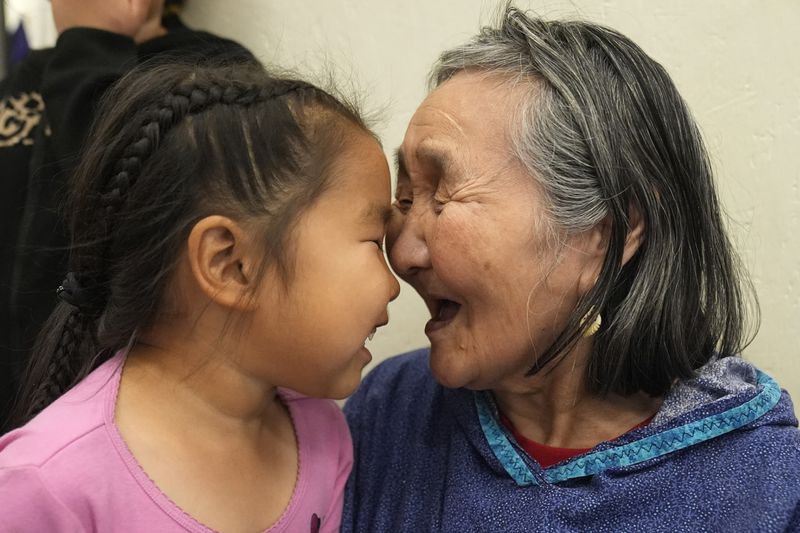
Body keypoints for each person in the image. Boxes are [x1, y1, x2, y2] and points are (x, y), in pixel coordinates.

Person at [343, 6, 800, 532]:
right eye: (404, 198)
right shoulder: (390, 411)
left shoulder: (763, 488)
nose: (402, 255)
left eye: (444, 195)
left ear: (607, 232)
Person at [0, 60, 399, 532]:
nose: (395, 283)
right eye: (375, 240)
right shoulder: (48, 484)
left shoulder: (322, 436)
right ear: (229, 263)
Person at [0, 0, 253, 431]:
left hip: (113, 409)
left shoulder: (216, 66)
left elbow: (128, 199)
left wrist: (91, 38)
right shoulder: (31, 73)